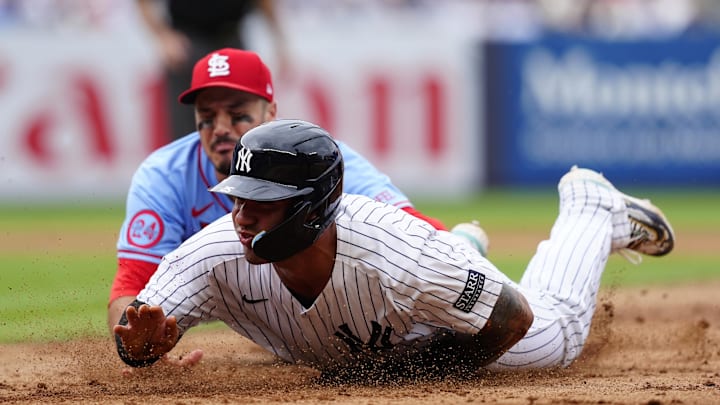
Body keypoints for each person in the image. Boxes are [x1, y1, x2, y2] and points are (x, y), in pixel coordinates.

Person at [113, 119, 675, 381]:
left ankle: (588, 206)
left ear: (313, 205)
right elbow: (141, 332)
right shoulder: (211, 257)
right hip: (378, 310)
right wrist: (139, 349)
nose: (241, 216)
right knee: (431, 271)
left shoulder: (396, 252)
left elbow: (514, 316)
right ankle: (461, 245)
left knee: (559, 332)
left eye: (262, 200)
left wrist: (418, 373)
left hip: (439, 326)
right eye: (237, 198)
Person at [107, 48, 487, 350]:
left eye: (237, 115)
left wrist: (459, 253)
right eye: (206, 117)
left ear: (270, 113)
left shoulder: (316, 163)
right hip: (255, 305)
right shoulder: (165, 175)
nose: (220, 128)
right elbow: (131, 284)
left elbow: (417, 233)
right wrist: (138, 345)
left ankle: (469, 240)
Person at [136, 0, 289, 140]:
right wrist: (164, 36)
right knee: (189, 132)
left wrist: (279, 40)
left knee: (245, 126)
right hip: (189, 43)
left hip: (231, 37)